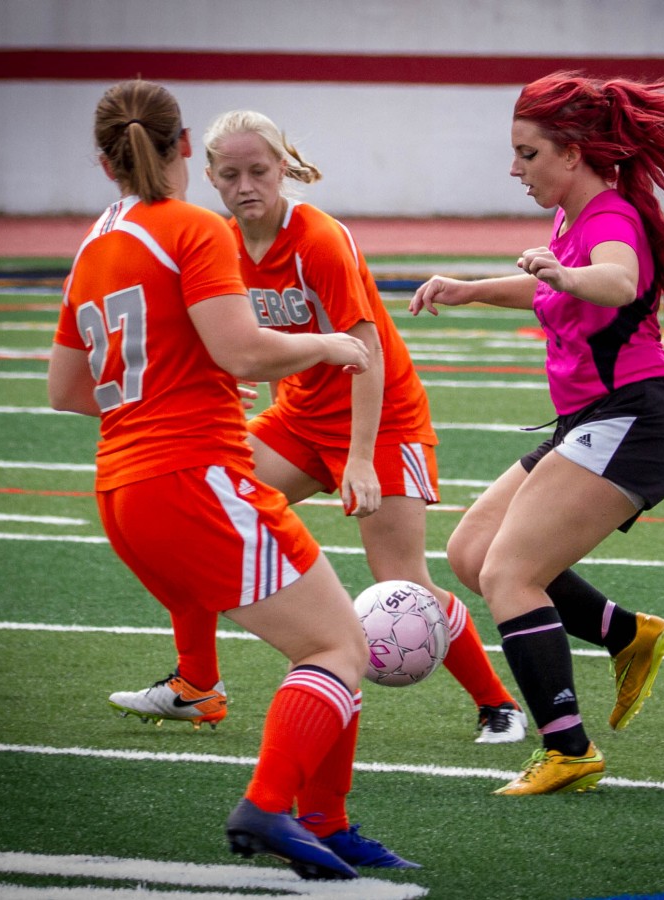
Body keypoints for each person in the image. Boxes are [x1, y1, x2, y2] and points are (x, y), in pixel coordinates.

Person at [48, 78, 416, 879]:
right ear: (187, 149)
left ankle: (326, 823)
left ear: (105, 162)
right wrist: (326, 346)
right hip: (192, 474)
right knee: (337, 645)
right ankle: (270, 804)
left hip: (121, 486)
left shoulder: (96, 238)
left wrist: (181, 378)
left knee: (327, 640)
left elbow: (67, 390)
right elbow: (244, 351)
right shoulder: (193, 227)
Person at [108, 108, 527, 744]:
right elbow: (261, 341)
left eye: (258, 171)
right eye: (230, 175)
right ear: (210, 177)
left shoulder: (318, 240)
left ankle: (498, 705)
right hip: (302, 417)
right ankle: (197, 686)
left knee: (402, 582)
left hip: (382, 421)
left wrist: (358, 459)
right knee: (197, 519)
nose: (246, 186)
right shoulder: (222, 242)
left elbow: (367, 352)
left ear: (283, 167)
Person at [409, 70, 664, 795]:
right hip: (593, 419)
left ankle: (568, 751)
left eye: (527, 153)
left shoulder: (610, 219)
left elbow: (613, 280)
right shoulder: (573, 217)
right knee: (471, 553)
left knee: (509, 574)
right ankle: (627, 634)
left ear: (573, 152)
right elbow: (555, 282)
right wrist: (472, 290)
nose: (515, 168)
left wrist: (564, 273)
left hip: (634, 421)